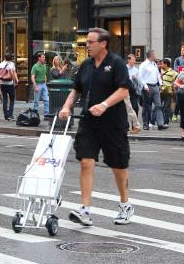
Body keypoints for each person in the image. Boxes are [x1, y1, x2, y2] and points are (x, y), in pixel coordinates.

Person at [58, 28, 141, 227]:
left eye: (91, 42)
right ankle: (85, 209)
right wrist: (66, 106)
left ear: (103, 43)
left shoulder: (117, 64)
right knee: (86, 161)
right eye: (87, 42)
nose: (87, 45)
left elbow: (123, 90)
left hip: (113, 122)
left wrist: (104, 105)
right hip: (89, 121)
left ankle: (125, 204)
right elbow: (76, 89)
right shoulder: (85, 65)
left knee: (117, 165)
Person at [139, 50, 165, 130]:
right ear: (150, 55)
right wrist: (145, 85)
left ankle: (160, 124)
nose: (155, 56)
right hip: (147, 87)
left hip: (155, 86)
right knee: (146, 106)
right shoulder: (143, 65)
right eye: (154, 54)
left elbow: (157, 75)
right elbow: (140, 77)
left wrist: (160, 84)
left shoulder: (154, 64)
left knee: (158, 105)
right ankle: (145, 124)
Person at [0, 54, 17, 121]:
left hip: (3, 83)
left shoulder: (1, 64)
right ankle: (10, 115)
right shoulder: (11, 64)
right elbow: (13, 73)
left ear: (4, 57)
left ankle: (6, 116)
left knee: (5, 100)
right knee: (12, 99)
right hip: (10, 84)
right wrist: (15, 82)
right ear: (10, 58)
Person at [30, 52, 50, 118]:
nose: (44, 58)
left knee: (46, 100)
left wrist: (45, 82)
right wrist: (35, 86)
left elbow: (45, 74)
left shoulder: (44, 65)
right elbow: (32, 77)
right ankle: (35, 115)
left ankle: (46, 115)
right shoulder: (35, 67)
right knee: (36, 101)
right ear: (39, 58)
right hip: (37, 85)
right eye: (43, 57)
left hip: (44, 84)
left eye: (44, 57)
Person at [159, 58, 177, 127]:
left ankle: (166, 122)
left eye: (162, 63)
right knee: (157, 106)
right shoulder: (159, 70)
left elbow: (177, 79)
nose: (161, 65)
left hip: (168, 92)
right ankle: (152, 122)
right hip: (160, 91)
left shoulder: (173, 72)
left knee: (166, 107)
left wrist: (174, 87)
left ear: (166, 64)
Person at [126, 54, 141, 122]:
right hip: (125, 90)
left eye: (135, 60)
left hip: (133, 91)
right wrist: (130, 78)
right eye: (133, 60)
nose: (134, 61)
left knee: (135, 107)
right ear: (128, 60)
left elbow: (140, 80)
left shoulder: (136, 70)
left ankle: (134, 125)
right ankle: (125, 125)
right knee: (124, 108)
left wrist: (136, 78)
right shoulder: (124, 68)